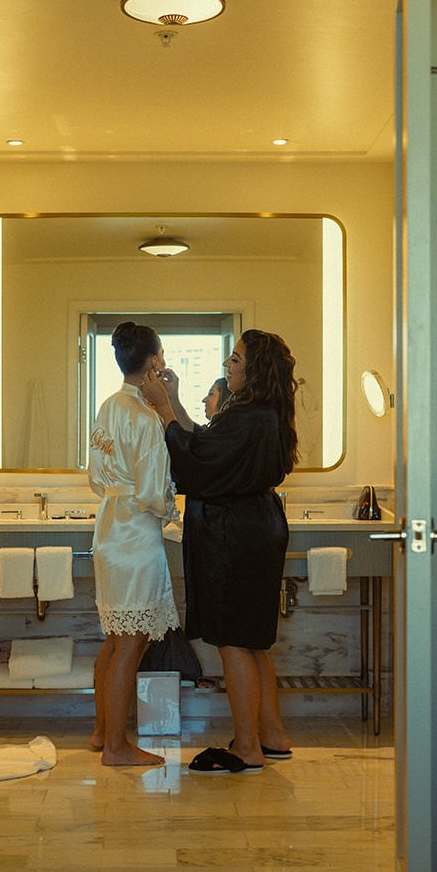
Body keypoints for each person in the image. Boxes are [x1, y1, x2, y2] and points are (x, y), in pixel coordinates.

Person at [142, 330, 298, 773]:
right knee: (254, 642)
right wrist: (173, 400)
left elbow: (196, 464)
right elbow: (205, 445)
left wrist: (162, 408)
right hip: (257, 527)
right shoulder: (262, 414)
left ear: (255, 369)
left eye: (235, 359)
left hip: (236, 534)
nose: (227, 366)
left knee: (234, 641)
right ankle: (272, 735)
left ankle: (246, 748)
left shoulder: (248, 417)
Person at [87, 321, 180, 767]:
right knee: (131, 642)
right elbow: (151, 494)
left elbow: (94, 478)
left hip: (108, 528)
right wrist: (171, 509)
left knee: (114, 638)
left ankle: (103, 730)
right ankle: (117, 748)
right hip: (136, 534)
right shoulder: (146, 418)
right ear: (154, 362)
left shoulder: (106, 407)